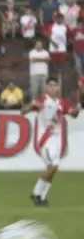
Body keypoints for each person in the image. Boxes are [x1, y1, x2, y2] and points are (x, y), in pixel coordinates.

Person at [23, 77, 80, 206]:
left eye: (55, 85)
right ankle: (36, 193)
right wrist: (31, 106)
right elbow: (23, 111)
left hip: (57, 139)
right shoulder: (43, 100)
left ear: (58, 87)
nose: (53, 88)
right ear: (47, 87)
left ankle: (41, 197)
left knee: (54, 168)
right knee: (53, 166)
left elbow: (73, 114)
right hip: (45, 138)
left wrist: (76, 110)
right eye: (50, 85)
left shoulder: (62, 102)